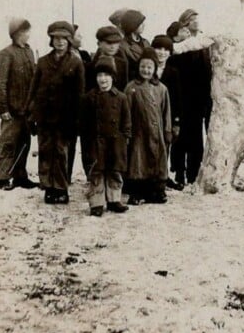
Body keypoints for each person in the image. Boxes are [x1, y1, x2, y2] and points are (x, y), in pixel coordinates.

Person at [27, 21, 85, 204]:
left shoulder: (76, 63)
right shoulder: (43, 62)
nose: (60, 42)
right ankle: (48, 187)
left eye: (64, 38)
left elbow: (80, 93)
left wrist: (76, 119)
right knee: (45, 150)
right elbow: (34, 89)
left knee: (61, 152)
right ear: (51, 40)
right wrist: (32, 114)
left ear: (69, 40)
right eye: (56, 38)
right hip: (45, 117)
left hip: (65, 118)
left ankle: (61, 188)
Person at [79, 57, 131, 216]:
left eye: (106, 75)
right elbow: (84, 124)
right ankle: (97, 203)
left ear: (112, 77)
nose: (103, 79)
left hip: (116, 141)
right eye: (100, 75)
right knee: (97, 172)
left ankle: (114, 199)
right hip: (96, 142)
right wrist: (87, 142)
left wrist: (125, 136)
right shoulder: (89, 98)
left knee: (114, 171)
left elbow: (126, 120)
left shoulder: (121, 97)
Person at [169, 9, 212, 186]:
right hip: (184, 95)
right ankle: (179, 171)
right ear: (185, 23)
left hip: (201, 96)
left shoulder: (204, 41)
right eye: (191, 19)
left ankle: (194, 172)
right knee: (181, 135)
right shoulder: (183, 45)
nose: (196, 22)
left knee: (196, 136)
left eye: (197, 18)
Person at [0, 18, 37, 191]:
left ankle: (20, 176)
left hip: (26, 110)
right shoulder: (6, 54)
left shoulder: (29, 51)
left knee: (24, 144)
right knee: (8, 144)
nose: (28, 34)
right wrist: (2, 108)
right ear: (17, 34)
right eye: (25, 31)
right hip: (11, 111)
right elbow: (0, 83)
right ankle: (4, 178)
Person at [125, 48, 172, 204]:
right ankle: (137, 192)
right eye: (143, 66)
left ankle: (157, 191)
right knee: (138, 160)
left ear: (155, 69)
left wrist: (167, 130)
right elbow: (126, 112)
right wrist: (127, 131)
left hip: (156, 132)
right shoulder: (132, 88)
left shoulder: (162, 89)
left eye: (149, 67)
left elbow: (166, 112)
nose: (146, 70)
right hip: (139, 132)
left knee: (158, 159)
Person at [151, 35, 183, 190]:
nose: (162, 53)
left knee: (165, 146)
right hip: (150, 114)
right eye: (158, 48)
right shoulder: (147, 69)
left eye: (166, 50)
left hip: (167, 116)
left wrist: (176, 121)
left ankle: (162, 177)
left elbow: (177, 99)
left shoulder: (173, 72)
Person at [67, 25, 92, 182]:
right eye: (78, 35)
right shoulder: (64, 56)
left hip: (84, 105)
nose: (81, 37)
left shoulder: (84, 55)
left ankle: (90, 174)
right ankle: (66, 175)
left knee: (86, 142)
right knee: (69, 143)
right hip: (69, 105)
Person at [87, 26, 129, 92]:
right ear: (99, 44)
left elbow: (124, 87)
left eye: (116, 43)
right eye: (109, 43)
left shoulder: (123, 63)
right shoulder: (92, 65)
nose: (113, 46)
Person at [120, 10, 150, 81]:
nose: (144, 25)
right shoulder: (122, 46)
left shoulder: (146, 42)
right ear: (132, 25)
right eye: (140, 23)